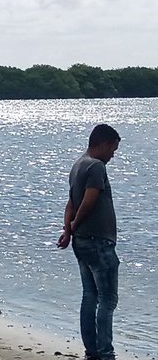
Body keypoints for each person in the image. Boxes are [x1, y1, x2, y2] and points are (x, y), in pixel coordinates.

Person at [57, 124, 121, 360]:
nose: (113, 154)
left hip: (82, 240)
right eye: (112, 149)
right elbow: (88, 200)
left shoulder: (78, 165)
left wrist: (68, 230)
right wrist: (72, 227)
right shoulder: (95, 166)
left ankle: (92, 352)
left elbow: (70, 203)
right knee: (107, 299)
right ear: (103, 143)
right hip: (97, 241)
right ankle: (105, 353)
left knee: (89, 296)